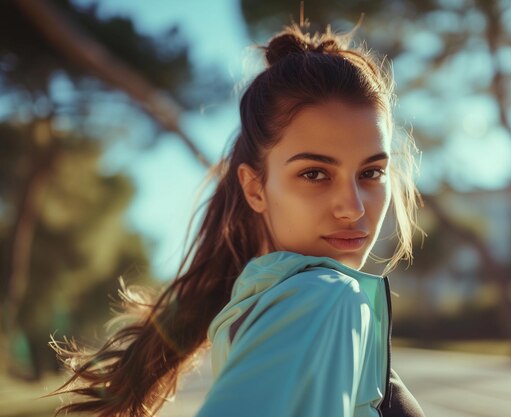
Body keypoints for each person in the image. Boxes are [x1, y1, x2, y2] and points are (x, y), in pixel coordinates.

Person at [51, 22, 425, 417]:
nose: (353, 207)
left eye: (371, 173)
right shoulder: (325, 296)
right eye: (314, 174)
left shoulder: (268, 301)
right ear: (254, 188)